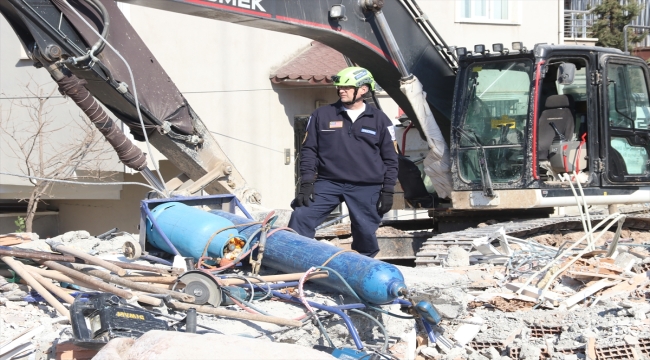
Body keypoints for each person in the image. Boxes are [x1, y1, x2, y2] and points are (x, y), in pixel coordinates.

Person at [288, 66, 398, 258]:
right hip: (328, 182)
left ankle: (364, 267)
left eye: (347, 87)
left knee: (365, 232)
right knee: (301, 216)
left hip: (366, 186)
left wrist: (388, 190)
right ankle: (293, 258)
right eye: (339, 87)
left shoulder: (380, 120)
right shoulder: (322, 115)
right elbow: (309, 150)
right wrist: (306, 182)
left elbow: (391, 158)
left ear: (363, 89)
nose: (341, 90)